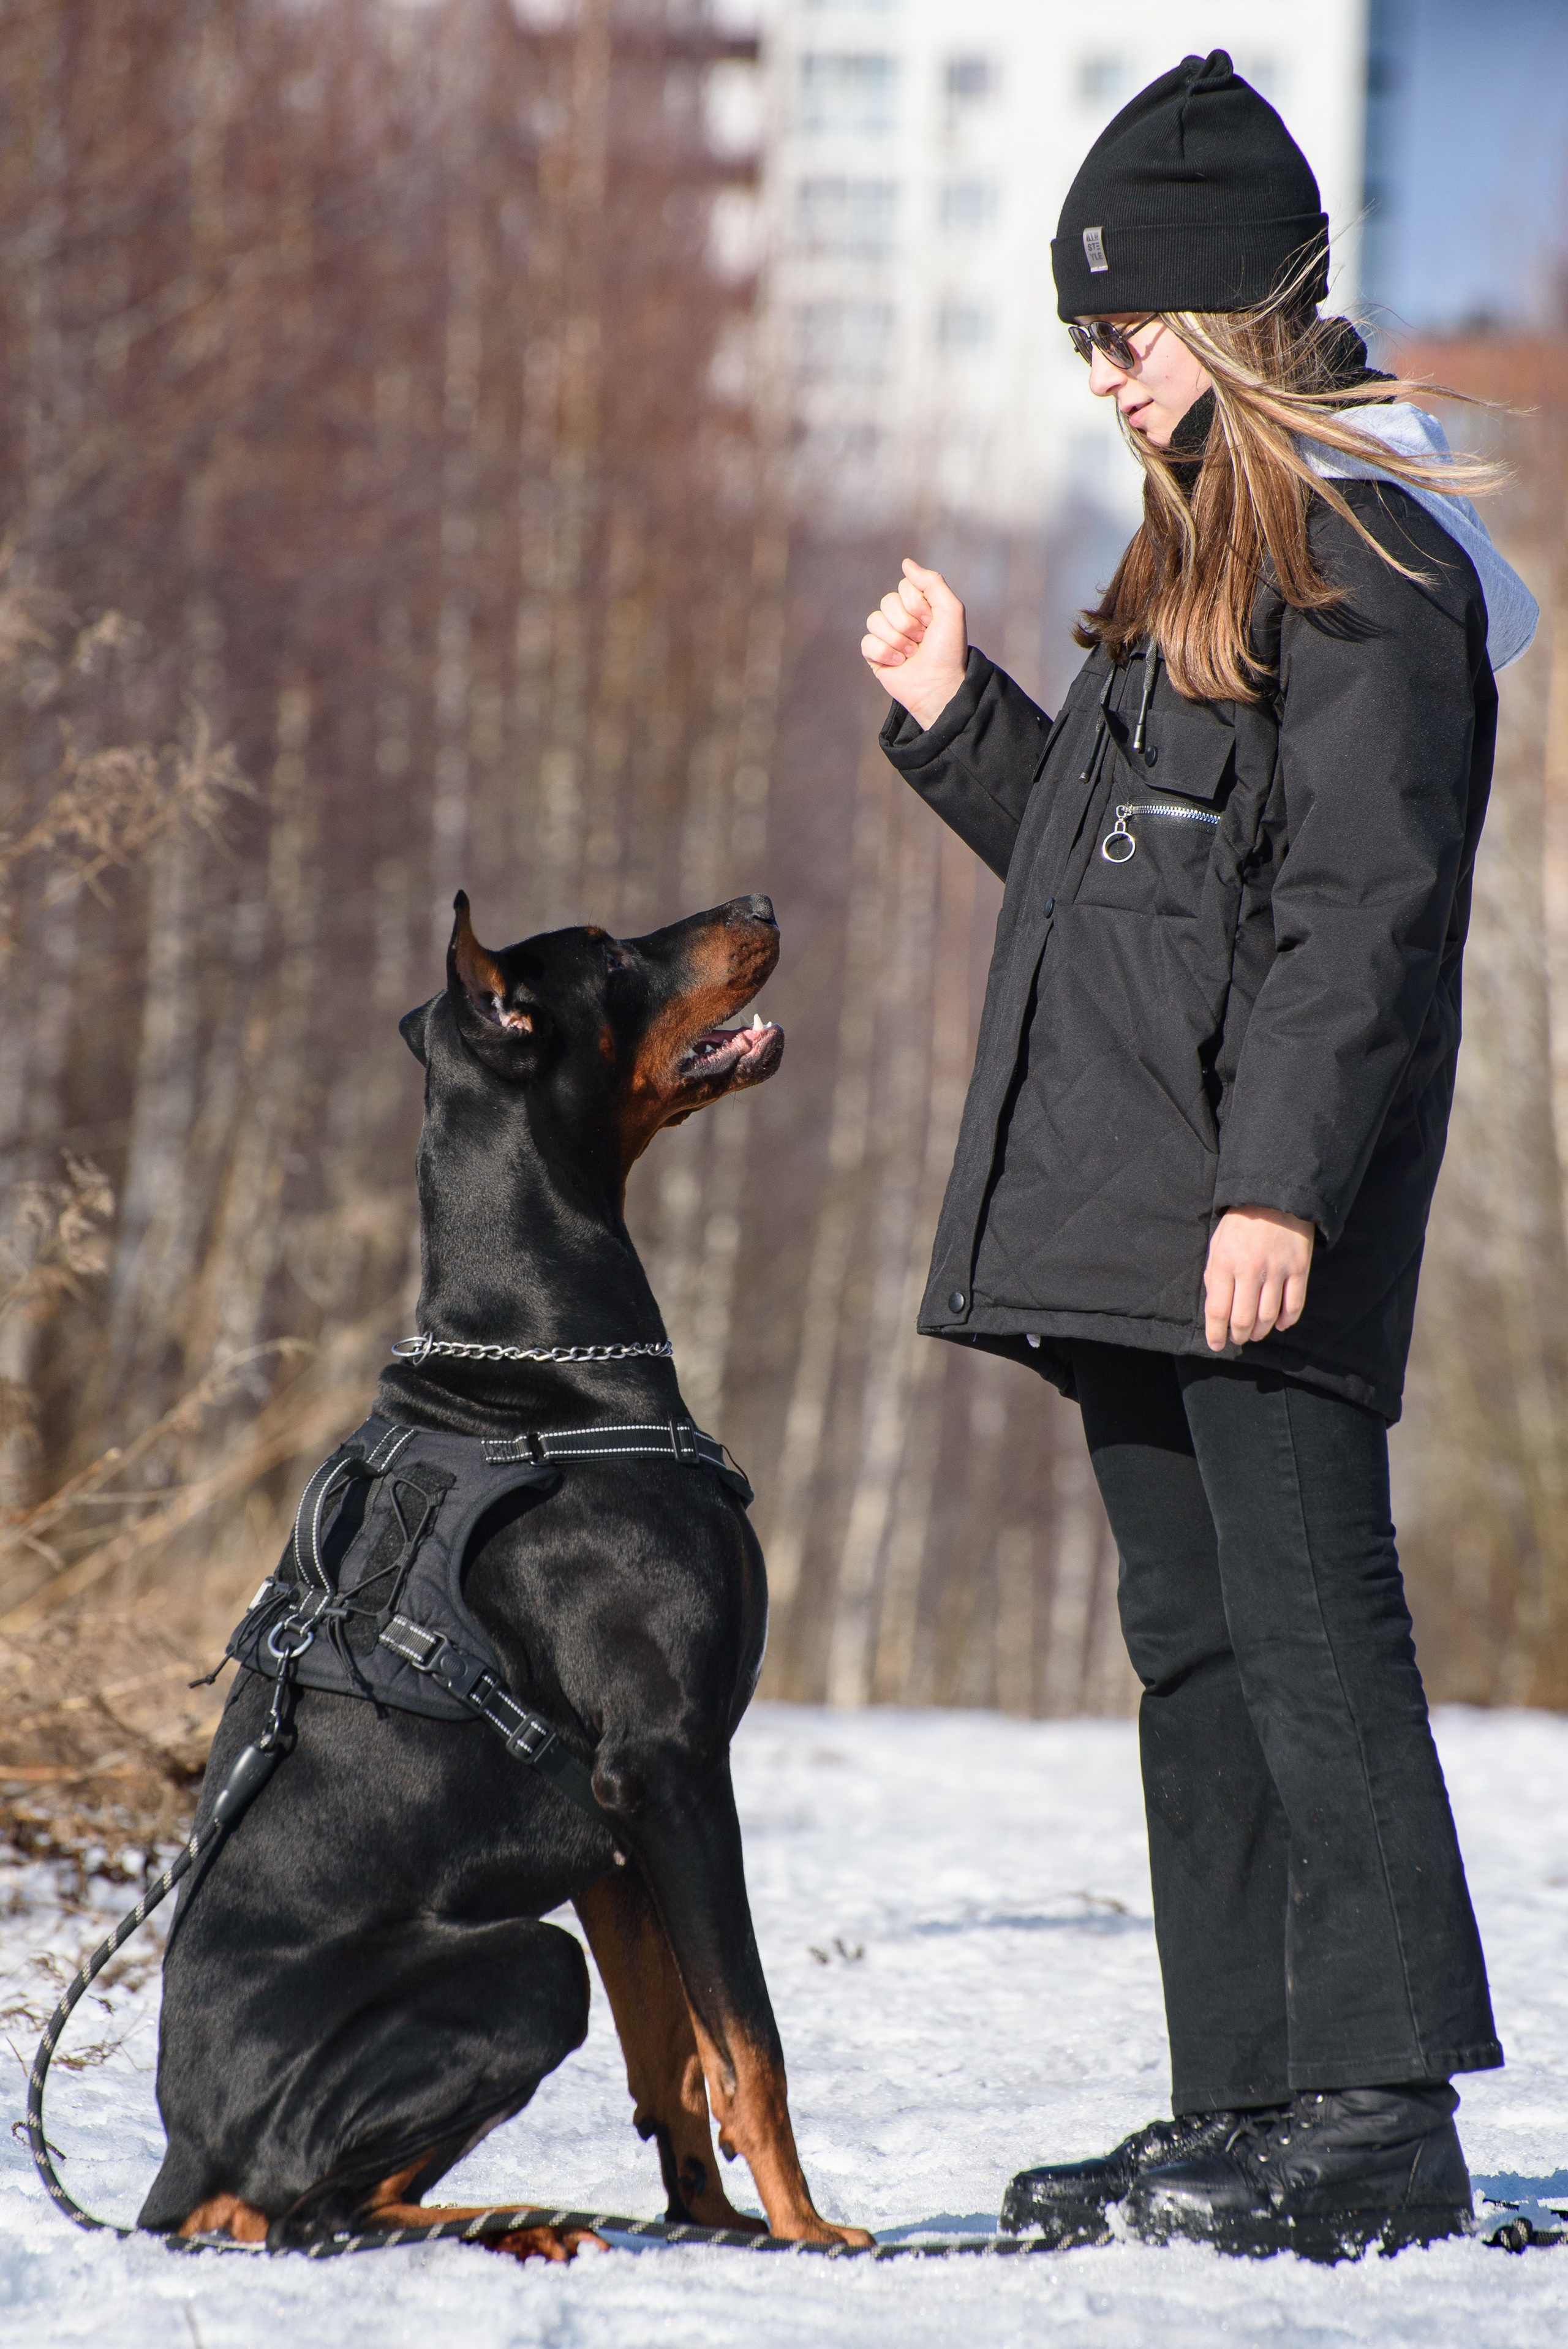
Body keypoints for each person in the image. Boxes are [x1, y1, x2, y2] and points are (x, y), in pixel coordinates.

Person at [861, 51, 1536, 2257]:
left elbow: (1364, 918)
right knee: (1198, 1639)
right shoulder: (1200, 553)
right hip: (1160, 1200)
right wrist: (967, 712)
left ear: (1235, 309)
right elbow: (1119, 880)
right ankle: (1245, 2094)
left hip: (1268, 1207)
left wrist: (1280, 1188)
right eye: (1082, 348)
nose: (1105, 382)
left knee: (1310, 1620)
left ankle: (1379, 2108)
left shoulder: (1373, 565)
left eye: (1125, 337)